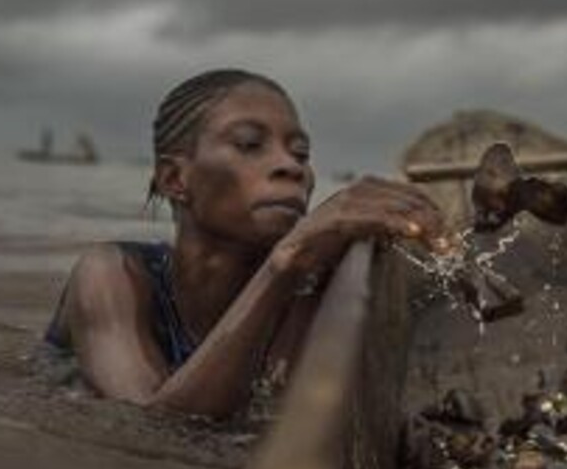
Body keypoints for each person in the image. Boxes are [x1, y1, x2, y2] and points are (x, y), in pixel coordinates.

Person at [44, 68, 445, 418]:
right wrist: (287, 259)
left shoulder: (304, 285)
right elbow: (152, 427)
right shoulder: (111, 275)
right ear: (174, 180)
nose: (290, 166)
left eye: (300, 153)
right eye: (250, 144)